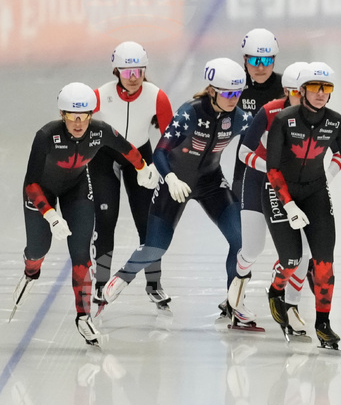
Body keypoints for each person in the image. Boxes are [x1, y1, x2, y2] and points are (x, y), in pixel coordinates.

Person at [102, 58, 253, 312]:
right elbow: (160, 152)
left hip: (211, 183)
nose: (233, 99)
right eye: (228, 93)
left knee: (241, 242)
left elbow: (262, 141)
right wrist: (170, 178)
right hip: (175, 182)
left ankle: (234, 302)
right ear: (213, 90)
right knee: (155, 248)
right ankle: (122, 276)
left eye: (238, 93)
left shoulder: (240, 118)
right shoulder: (191, 112)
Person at [14, 82, 159, 345]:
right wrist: (50, 215)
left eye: (84, 116)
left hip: (77, 189)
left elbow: (125, 148)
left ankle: (83, 316)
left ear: (92, 115)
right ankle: (31, 268)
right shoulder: (46, 136)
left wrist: (143, 168)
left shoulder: (99, 131)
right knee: (38, 249)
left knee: (81, 254)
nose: (79, 123)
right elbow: (31, 184)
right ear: (62, 115)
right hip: (41, 193)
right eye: (72, 116)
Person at [264, 62, 341, 350]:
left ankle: (323, 323)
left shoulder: (337, 123)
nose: (321, 93)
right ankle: (276, 291)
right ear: (301, 91)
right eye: (315, 87)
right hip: (280, 192)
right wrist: (288, 205)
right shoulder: (284, 120)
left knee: (324, 263)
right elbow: (272, 169)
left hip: (315, 193)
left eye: (327, 88)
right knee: (291, 259)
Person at [228, 61, 341, 334]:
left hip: (295, 186)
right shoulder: (270, 112)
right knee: (253, 248)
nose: (298, 98)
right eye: (292, 93)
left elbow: (339, 154)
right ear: (286, 91)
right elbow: (244, 152)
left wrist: (322, 179)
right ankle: (240, 278)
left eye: (301, 91)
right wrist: (269, 170)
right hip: (260, 181)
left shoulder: (320, 115)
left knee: (303, 253)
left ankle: (291, 305)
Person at [90, 41, 174, 310]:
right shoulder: (99, 95)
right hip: (105, 159)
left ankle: (154, 285)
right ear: (116, 71)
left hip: (142, 158)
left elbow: (171, 138)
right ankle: (101, 283)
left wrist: (170, 173)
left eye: (139, 71)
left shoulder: (156, 96)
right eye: (128, 73)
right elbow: (76, 130)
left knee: (149, 224)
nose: (134, 78)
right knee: (105, 220)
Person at [233, 28, 285, 212]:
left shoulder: (286, 87)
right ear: (245, 60)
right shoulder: (234, 86)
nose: (261, 67)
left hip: (282, 164)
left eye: (266, 60)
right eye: (255, 61)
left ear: (274, 60)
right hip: (246, 163)